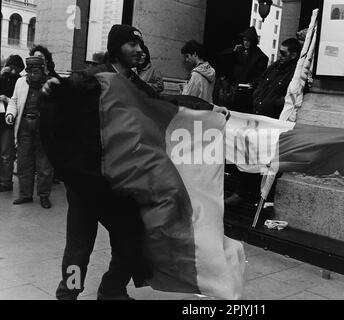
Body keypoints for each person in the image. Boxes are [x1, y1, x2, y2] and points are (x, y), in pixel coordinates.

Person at [40, 24, 229, 300]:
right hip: (86, 182)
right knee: (79, 249)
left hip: (119, 183)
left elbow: (165, 105)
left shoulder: (135, 85)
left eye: (141, 45)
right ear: (117, 48)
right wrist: (55, 85)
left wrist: (208, 109)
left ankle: (112, 289)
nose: (139, 50)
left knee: (131, 241)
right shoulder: (93, 77)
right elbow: (66, 92)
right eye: (132, 45)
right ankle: (68, 292)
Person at [225, 38, 302, 207]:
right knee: (251, 152)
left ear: (293, 55)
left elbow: (293, 96)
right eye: (279, 52)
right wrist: (254, 92)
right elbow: (261, 80)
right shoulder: (275, 67)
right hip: (259, 116)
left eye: (283, 53)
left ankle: (249, 193)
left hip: (272, 120)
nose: (280, 56)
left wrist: (275, 103)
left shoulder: (295, 72)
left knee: (264, 157)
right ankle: (243, 191)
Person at [5, 57, 54, 209]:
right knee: (24, 163)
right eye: (30, 72)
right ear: (26, 71)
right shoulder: (20, 82)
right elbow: (13, 100)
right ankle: (25, 194)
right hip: (25, 126)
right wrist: (10, 114)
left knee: (44, 166)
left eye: (36, 72)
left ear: (43, 70)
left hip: (44, 128)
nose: (33, 75)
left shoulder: (50, 84)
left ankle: (44, 195)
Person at [216, 26, 269, 113]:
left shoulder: (260, 57)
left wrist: (251, 84)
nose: (246, 43)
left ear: (253, 41)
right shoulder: (240, 51)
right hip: (233, 90)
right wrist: (233, 51)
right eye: (244, 40)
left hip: (246, 93)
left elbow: (260, 76)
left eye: (248, 40)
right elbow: (222, 58)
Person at [0, 55, 25, 192]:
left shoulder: (20, 81)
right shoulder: (2, 77)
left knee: (6, 154)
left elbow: (19, 102)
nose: (14, 70)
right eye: (12, 67)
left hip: (8, 122)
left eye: (17, 68)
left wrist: (6, 99)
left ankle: (5, 182)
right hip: (1, 119)